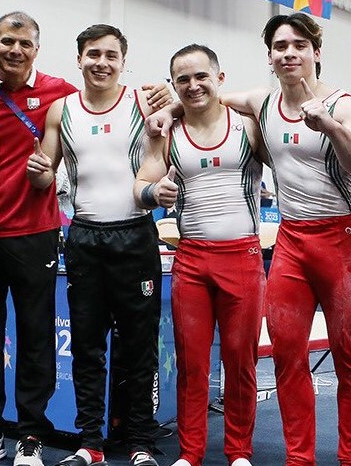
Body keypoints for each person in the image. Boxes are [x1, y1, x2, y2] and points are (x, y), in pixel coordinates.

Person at [149, 13, 351, 465]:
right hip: (292, 241)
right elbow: (203, 98)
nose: (289, 52)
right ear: (270, 57)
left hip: (340, 239)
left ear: (316, 52)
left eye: (298, 45)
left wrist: (329, 126)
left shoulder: (346, 105)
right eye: (279, 46)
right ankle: (300, 457)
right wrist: (168, 108)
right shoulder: (260, 102)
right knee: (289, 356)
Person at [25, 24, 164, 466]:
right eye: (92, 54)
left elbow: (191, 107)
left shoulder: (142, 101)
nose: (101, 62)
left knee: (139, 346)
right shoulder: (60, 110)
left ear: (123, 61)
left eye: (110, 55)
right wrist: (36, 171)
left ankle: (141, 439)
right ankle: (91, 443)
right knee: (88, 346)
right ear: (79, 58)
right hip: (85, 237)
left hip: (135, 234)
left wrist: (169, 93)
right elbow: (46, 175)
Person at [134, 44, 265, 466]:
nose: (193, 86)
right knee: (192, 362)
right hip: (191, 260)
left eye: (201, 76)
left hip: (241, 258)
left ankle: (239, 451)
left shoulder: (248, 127)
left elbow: (290, 146)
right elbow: (140, 186)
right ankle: (190, 453)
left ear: (219, 79)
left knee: (240, 359)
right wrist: (155, 192)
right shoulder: (165, 133)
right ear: (174, 85)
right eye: (183, 80)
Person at [0, 12, 76, 466]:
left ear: (36, 50)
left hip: (35, 234)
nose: (15, 50)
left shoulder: (59, 91)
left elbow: (110, 102)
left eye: (24, 43)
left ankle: (31, 433)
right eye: (7, 41)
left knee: (35, 335)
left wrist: (161, 95)